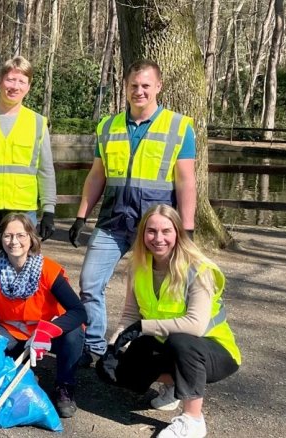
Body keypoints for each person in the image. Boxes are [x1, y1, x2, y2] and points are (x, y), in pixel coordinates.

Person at [69, 60, 197, 365]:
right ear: (125, 88)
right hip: (114, 219)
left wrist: (187, 228)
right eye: (133, 86)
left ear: (158, 87)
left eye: (145, 86)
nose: (139, 92)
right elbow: (97, 175)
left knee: (160, 292)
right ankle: (95, 345)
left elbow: (186, 180)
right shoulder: (108, 126)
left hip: (156, 227)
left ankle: (151, 352)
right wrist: (80, 215)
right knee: (89, 283)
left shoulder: (179, 127)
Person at [97, 204, 240, 438]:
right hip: (168, 344)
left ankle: (193, 420)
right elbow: (131, 315)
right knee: (115, 370)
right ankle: (175, 387)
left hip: (213, 351)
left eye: (166, 231)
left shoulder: (198, 269)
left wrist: (144, 327)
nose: (158, 238)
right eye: (151, 231)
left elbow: (195, 325)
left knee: (181, 341)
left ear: (178, 234)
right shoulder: (138, 268)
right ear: (143, 234)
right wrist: (115, 344)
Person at [0, 213, 86, 418]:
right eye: (8, 236)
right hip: (13, 333)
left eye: (21, 235)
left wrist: (48, 331)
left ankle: (64, 386)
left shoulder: (48, 270)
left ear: (31, 238)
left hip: (47, 334)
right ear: (0, 239)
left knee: (74, 333)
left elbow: (79, 312)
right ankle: (13, 375)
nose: (14, 241)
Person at [0, 56, 57, 263]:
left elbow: (45, 170)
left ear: (28, 87)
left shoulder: (37, 122)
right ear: (0, 82)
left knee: (22, 272)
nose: (15, 86)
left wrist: (49, 211)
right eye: (10, 80)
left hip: (23, 211)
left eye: (21, 81)